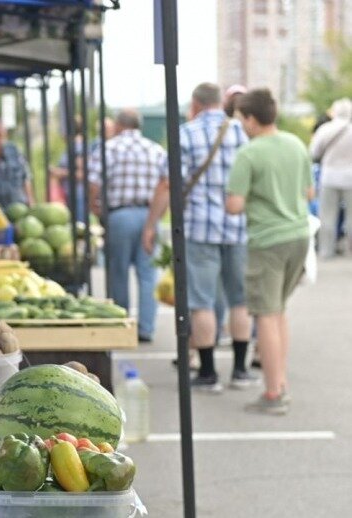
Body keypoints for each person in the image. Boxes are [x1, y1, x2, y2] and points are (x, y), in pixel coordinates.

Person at [142, 83, 257, 392]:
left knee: (202, 302)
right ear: (220, 103)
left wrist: (151, 224)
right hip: (239, 227)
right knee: (241, 300)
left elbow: (168, 185)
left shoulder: (185, 133)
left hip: (198, 229)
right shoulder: (243, 132)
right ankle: (240, 371)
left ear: (194, 104)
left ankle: (207, 373)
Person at [226, 88, 314, 415]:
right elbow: (309, 190)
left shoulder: (249, 153)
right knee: (277, 312)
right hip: (299, 234)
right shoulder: (295, 144)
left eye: (242, 119)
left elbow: (234, 205)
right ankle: (282, 381)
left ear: (251, 118)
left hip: (267, 240)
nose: (242, 126)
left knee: (264, 314)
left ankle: (274, 393)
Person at [88, 108, 166, 342]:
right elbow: (167, 185)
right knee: (147, 274)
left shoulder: (107, 148)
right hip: (149, 216)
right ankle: (146, 328)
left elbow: (93, 183)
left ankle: (122, 326)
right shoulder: (156, 150)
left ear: (119, 125)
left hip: (119, 216)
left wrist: (96, 207)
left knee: (118, 272)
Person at [309, 97, 352, 259]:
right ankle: (349, 250)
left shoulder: (325, 129)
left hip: (329, 176)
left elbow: (314, 152)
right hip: (350, 177)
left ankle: (326, 251)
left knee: (327, 215)